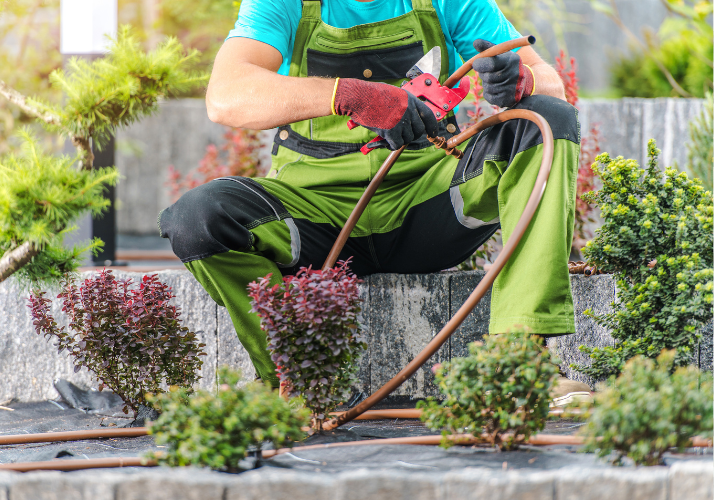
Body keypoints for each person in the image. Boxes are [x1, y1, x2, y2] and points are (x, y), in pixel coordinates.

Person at [159, 0, 590, 403]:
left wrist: (524, 79)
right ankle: (295, 381)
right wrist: (351, 95)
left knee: (548, 121)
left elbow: (550, 86)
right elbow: (225, 96)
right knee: (198, 218)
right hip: (316, 221)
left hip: (429, 209)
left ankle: (520, 365)